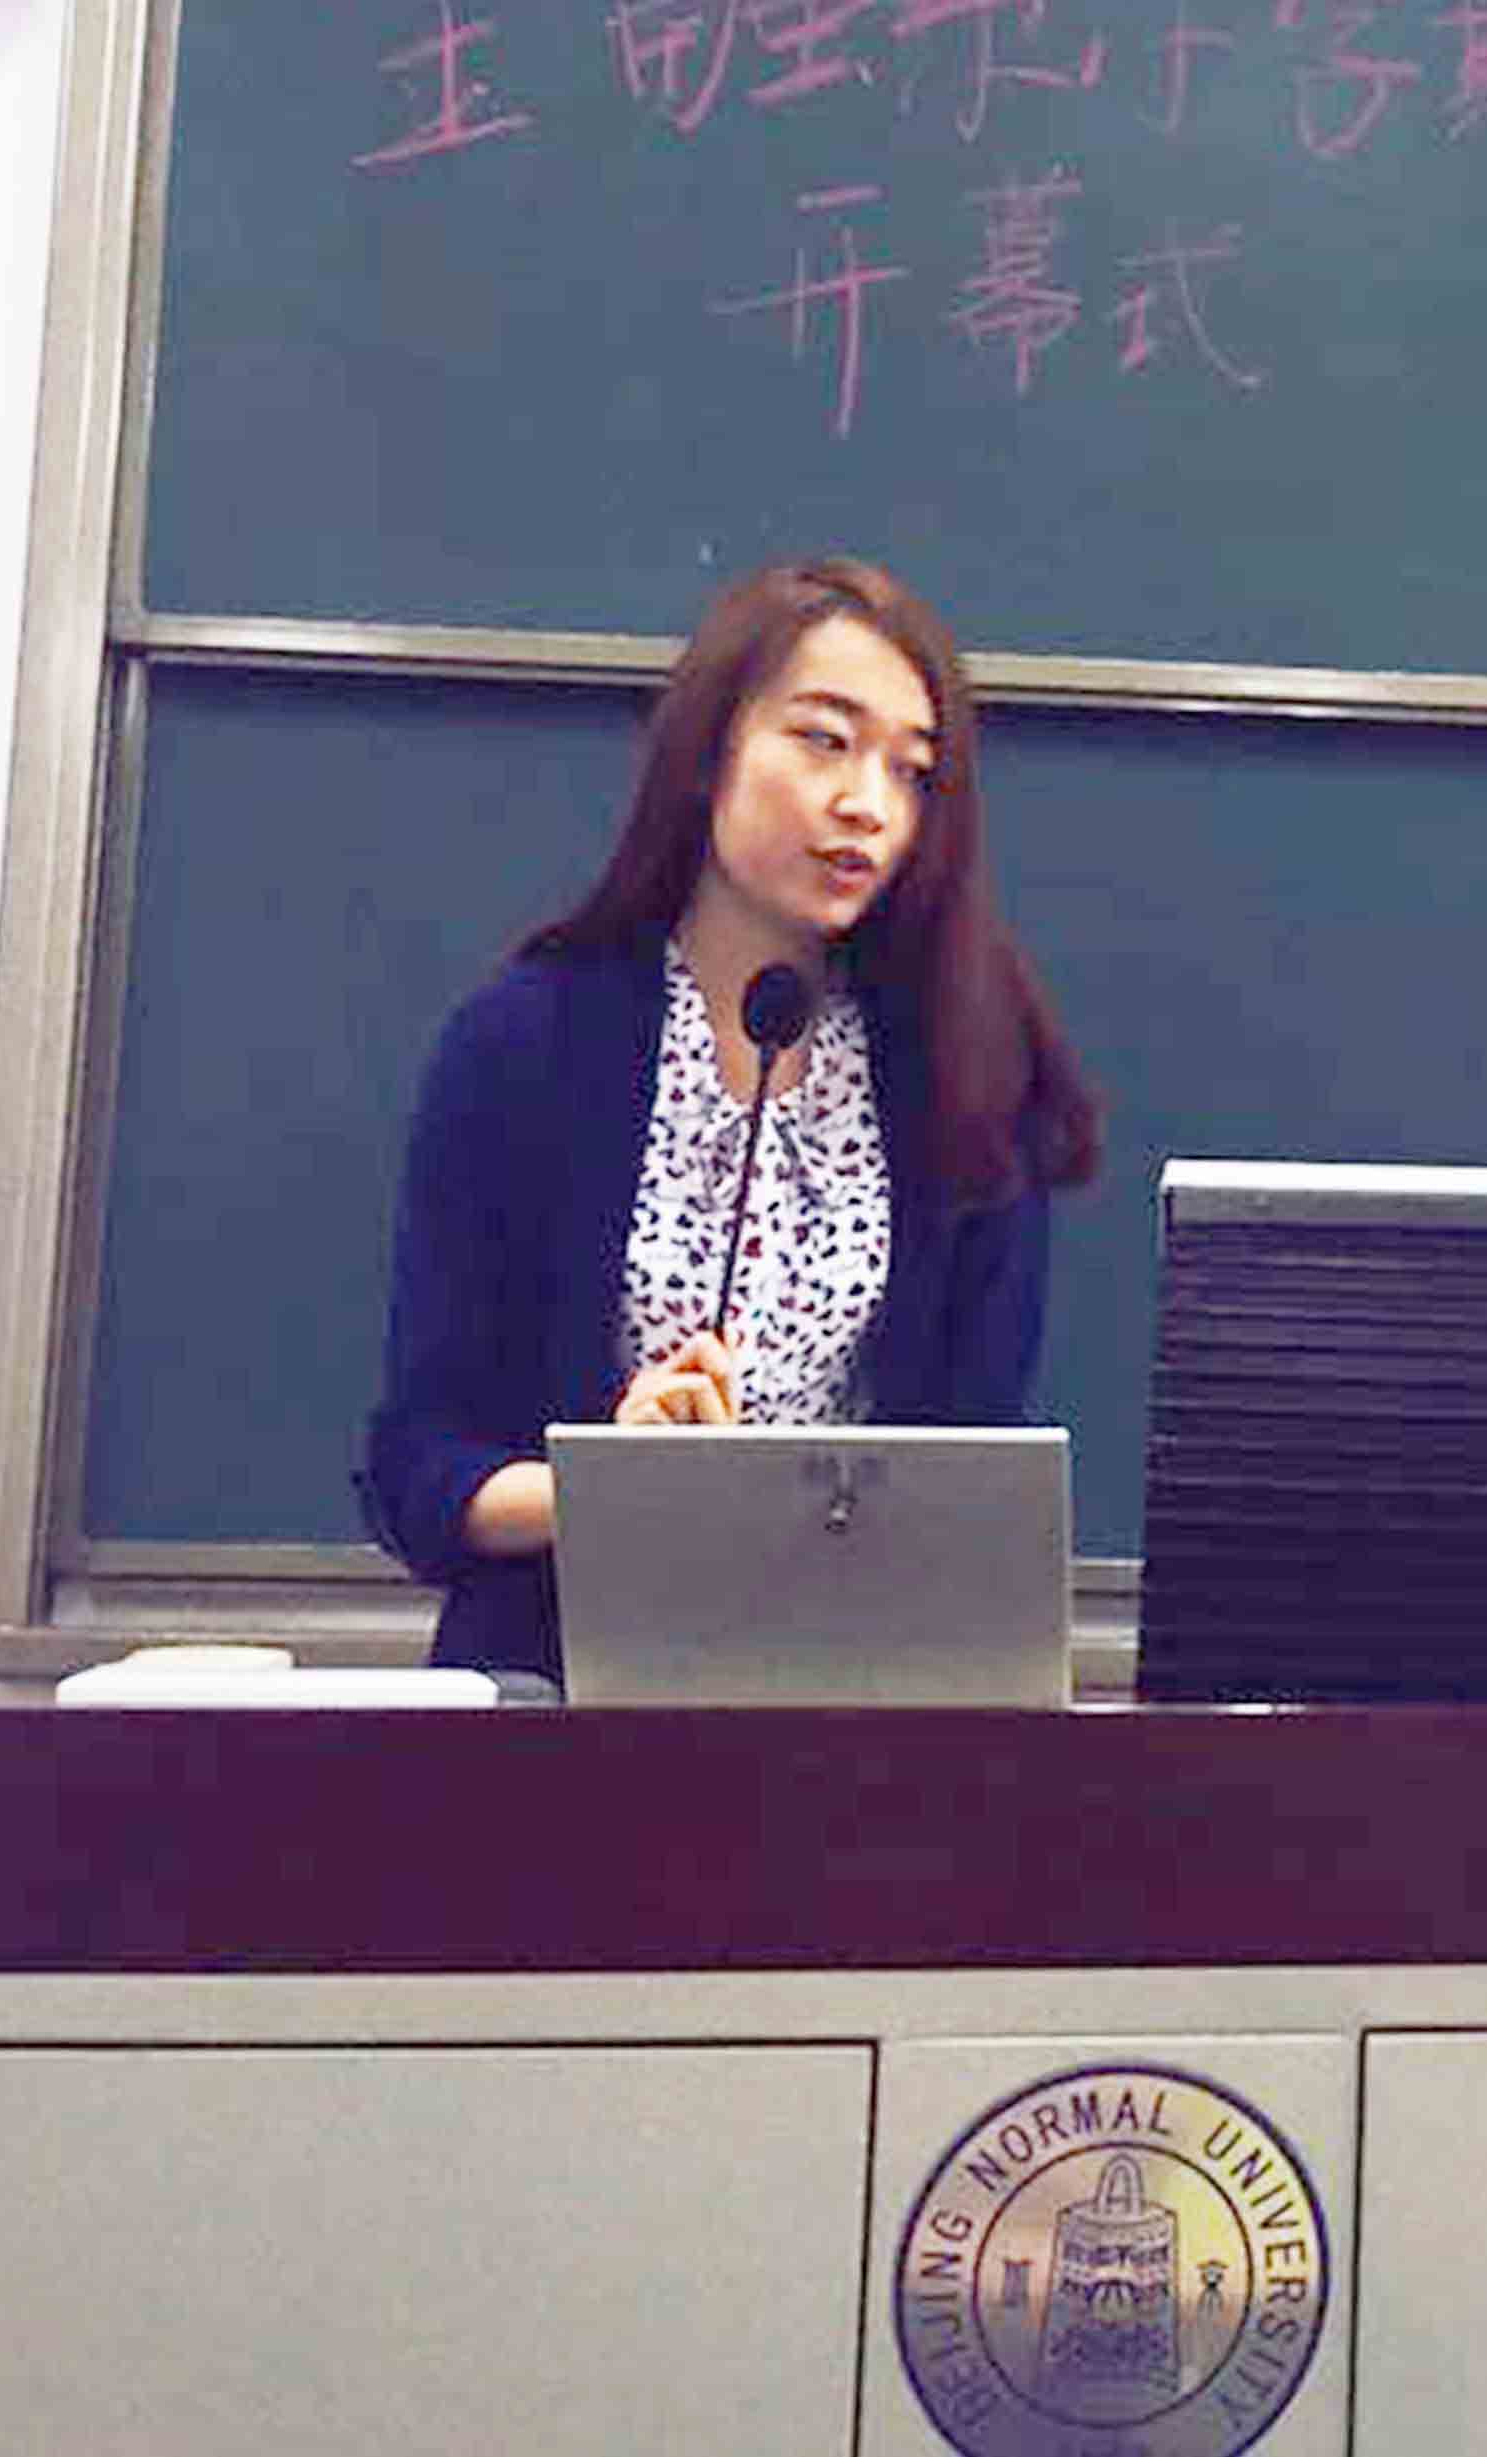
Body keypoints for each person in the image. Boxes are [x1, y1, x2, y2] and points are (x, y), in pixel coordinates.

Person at [362, 555, 1099, 1687]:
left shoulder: (969, 1068)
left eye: (912, 772)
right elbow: (417, 1470)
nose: (867, 804)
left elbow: (980, 1477)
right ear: (707, 751)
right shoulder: (525, 1045)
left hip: (868, 1703)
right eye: (824, 740)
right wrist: (609, 1485)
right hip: (564, 1689)